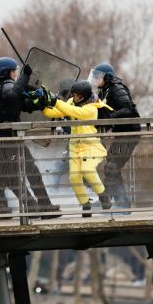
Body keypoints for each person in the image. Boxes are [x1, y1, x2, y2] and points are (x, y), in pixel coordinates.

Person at [0, 57, 60, 219]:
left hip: (8, 139)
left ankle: (39, 206)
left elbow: (20, 104)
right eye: (15, 71)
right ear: (7, 72)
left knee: (23, 173)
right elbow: (12, 96)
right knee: (21, 173)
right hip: (6, 140)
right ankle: (40, 207)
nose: (16, 74)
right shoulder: (6, 85)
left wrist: (40, 101)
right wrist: (25, 76)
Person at [43, 80, 112, 217]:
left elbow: (73, 111)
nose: (75, 97)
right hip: (75, 146)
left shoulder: (91, 108)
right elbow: (55, 113)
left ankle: (104, 197)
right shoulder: (72, 102)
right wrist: (43, 104)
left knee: (87, 170)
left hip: (90, 145)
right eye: (74, 94)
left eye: (78, 95)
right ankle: (86, 204)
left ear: (85, 96)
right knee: (74, 177)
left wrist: (55, 101)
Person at [89, 63, 140, 210]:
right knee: (111, 166)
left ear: (106, 77)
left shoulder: (117, 88)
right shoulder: (106, 90)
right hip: (121, 133)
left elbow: (127, 108)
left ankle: (107, 201)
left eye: (98, 76)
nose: (96, 79)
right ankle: (122, 203)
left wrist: (111, 117)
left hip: (130, 133)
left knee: (112, 166)